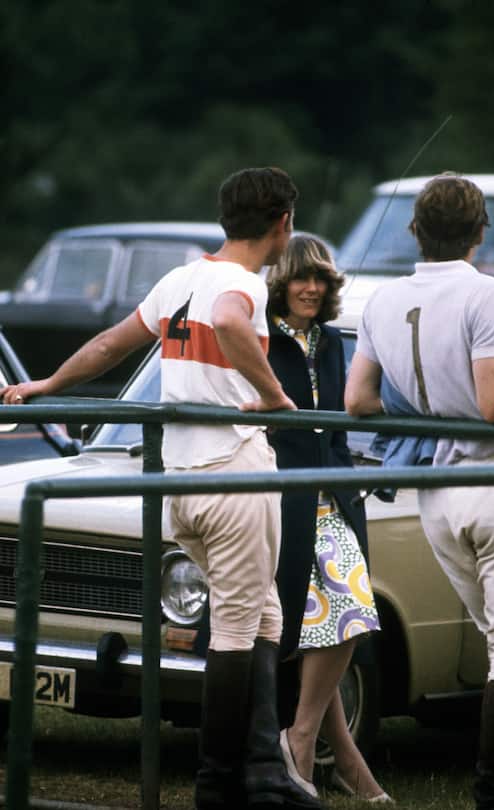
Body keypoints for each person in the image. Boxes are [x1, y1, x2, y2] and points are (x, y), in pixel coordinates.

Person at [1, 167, 325, 810]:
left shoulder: (181, 279)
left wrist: (44, 386)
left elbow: (108, 345)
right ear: (284, 225)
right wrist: (274, 395)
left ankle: (264, 769)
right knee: (236, 624)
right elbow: (232, 324)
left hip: (179, 479)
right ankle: (217, 785)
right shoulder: (242, 287)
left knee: (264, 611)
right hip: (233, 471)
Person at [344, 171, 494, 810]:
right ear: (480, 233)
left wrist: (424, 404)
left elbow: (359, 401)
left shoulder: (380, 302)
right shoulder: (486, 292)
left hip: (437, 497)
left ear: (414, 231)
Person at [264, 235, 392, 804]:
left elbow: (342, 423)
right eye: (300, 278)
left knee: (348, 613)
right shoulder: (262, 338)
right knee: (333, 619)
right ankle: (339, 759)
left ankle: (303, 741)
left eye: (319, 278)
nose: (311, 288)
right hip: (283, 497)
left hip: (333, 496)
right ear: (281, 283)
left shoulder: (335, 340)